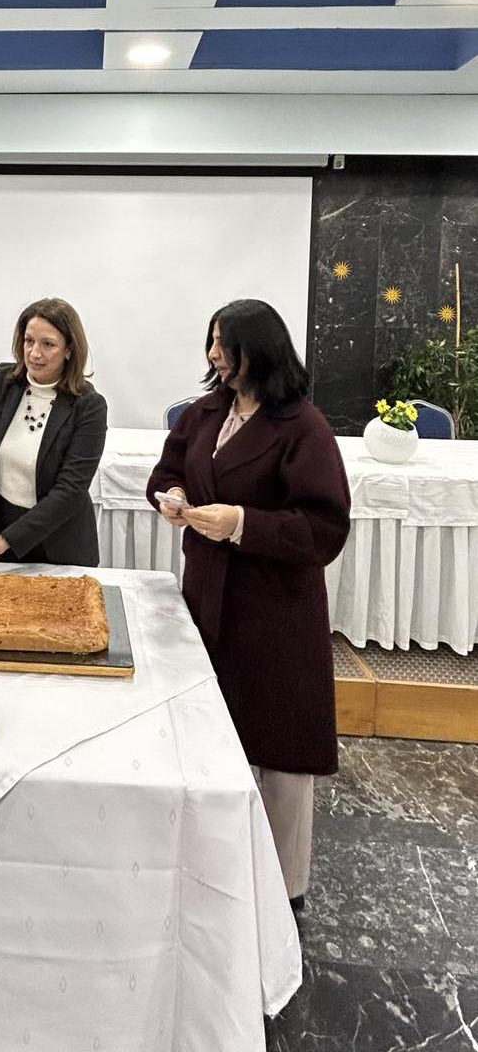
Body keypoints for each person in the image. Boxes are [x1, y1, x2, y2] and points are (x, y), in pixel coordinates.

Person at [146, 298, 350, 910]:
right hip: (207, 596)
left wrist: (242, 523)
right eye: (211, 342)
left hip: (275, 610)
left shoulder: (303, 426)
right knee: (212, 735)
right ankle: (214, 867)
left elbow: (324, 528)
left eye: (225, 345)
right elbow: (164, 473)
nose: (213, 355)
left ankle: (286, 889)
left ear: (257, 350)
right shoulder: (205, 412)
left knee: (280, 746)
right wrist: (171, 496)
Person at [0, 298, 107, 567]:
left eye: (48, 344)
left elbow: (70, 490)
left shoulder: (89, 406)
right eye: (29, 341)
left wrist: (8, 539)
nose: (34, 353)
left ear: (69, 349)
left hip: (59, 543)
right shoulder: (2, 381)